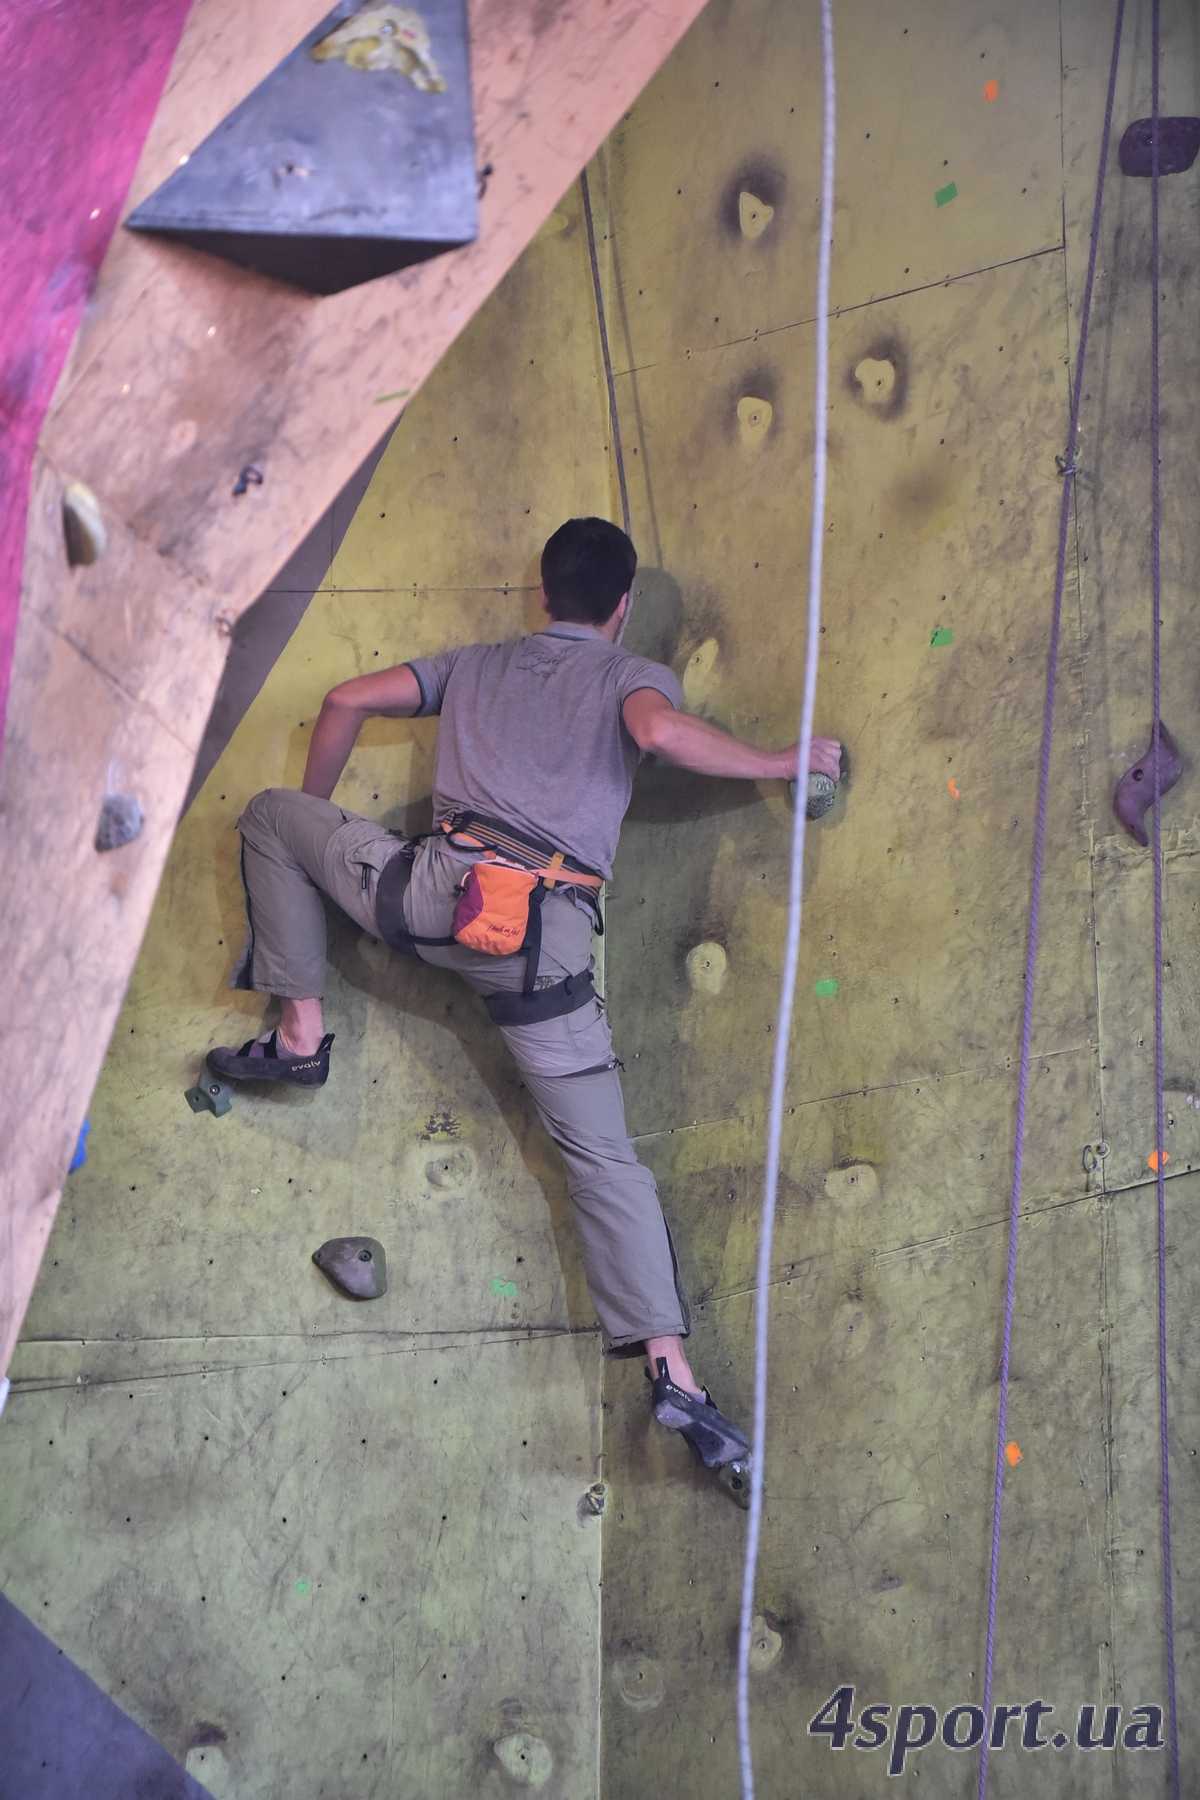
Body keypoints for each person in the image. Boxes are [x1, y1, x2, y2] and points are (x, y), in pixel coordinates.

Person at [210, 518, 841, 1470]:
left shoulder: (475, 664)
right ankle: (673, 1372)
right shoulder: (629, 677)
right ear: (620, 608)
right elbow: (660, 734)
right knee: (603, 1158)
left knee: (271, 817)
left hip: (429, 898)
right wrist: (783, 761)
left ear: (542, 594)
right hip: (539, 948)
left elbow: (344, 699)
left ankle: (301, 1033)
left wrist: (327, 818)